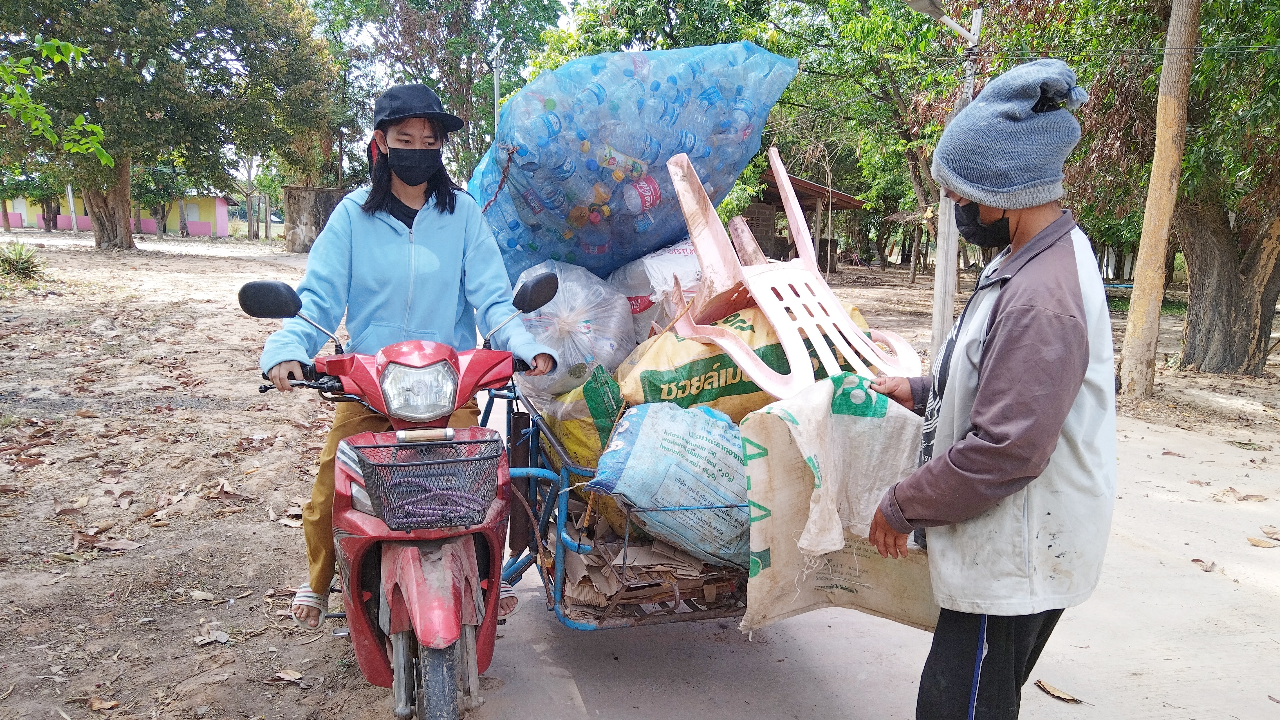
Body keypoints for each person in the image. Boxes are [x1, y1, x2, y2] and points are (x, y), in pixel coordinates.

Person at [867, 59, 1116, 720]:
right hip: (1013, 544)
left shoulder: (1043, 295)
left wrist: (902, 505)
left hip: (1016, 553)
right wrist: (918, 390)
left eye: (962, 193)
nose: (956, 206)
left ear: (1005, 189)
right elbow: (997, 380)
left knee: (960, 707)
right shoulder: (1025, 257)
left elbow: (1005, 449)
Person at [259, 84, 557, 629]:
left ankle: (485, 581)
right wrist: (286, 350)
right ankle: (324, 580)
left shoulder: (463, 214)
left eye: (430, 140)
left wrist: (526, 345)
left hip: (449, 384)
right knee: (332, 493)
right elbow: (319, 297)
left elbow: (492, 296)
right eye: (406, 138)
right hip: (371, 384)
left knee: (484, 490)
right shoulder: (351, 216)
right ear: (381, 143)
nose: (419, 148)